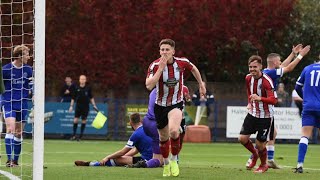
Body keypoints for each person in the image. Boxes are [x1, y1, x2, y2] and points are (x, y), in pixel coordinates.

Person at [145, 38, 206, 177]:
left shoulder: (181, 63)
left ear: (173, 51)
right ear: (159, 51)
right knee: (163, 137)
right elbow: (149, 85)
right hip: (160, 105)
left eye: (167, 50)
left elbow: (194, 68)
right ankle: (166, 164)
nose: (165, 52)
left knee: (174, 131)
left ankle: (173, 160)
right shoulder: (154, 65)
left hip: (176, 103)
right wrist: (160, 69)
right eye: (162, 50)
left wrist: (201, 84)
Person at [246, 44, 310, 169]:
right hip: (264, 108)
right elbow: (289, 68)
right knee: (263, 137)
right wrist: (300, 55)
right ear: (275, 62)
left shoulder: (267, 71)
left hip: (263, 107)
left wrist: (292, 54)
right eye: (279, 61)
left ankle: (269, 159)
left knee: (272, 134)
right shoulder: (270, 72)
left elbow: (283, 66)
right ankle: (253, 158)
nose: (281, 63)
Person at [127, 85, 190, 168]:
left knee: (158, 154)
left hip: (147, 122)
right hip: (157, 123)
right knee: (172, 139)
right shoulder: (174, 90)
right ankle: (149, 163)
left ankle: (150, 161)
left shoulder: (154, 90)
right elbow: (183, 102)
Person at [239, 55, 277, 173]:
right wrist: (249, 102)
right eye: (250, 67)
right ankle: (254, 155)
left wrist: (260, 98)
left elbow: (274, 100)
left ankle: (264, 165)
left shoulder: (266, 81)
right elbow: (249, 91)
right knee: (242, 138)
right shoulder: (248, 78)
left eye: (255, 67)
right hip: (253, 113)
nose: (252, 69)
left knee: (260, 145)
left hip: (265, 117)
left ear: (260, 66)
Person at [74, 113, 153, 167]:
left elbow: (122, 152)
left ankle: (91, 164)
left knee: (116, 159)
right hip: (156, 159)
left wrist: (107, 157)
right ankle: (93, 163)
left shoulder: (136, 134)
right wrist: (124, 157)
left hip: (146, 161)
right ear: (141, 121)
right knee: (121, 159)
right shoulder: (147, 129)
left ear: (130, 123)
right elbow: (135, 150)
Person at [2, 45, 33, 167]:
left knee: (19, 133)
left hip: (22, 102)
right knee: (10, 129)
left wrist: (34, 94)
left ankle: (15, 160)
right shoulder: (5, 70)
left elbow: (32, 84)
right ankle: (9, 160)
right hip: (8, 102)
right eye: (26, 54)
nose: (29, 57)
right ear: (19, 56)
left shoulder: (28, 69)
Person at [293, 55, 320, 173]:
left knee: (305, 136)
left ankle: (299, 165)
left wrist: (306, 98)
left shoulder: (307, 68)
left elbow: (297, 87)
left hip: (308, 106)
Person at [69, 75, 97, 141]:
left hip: (86, 106)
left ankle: (80, 136)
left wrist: (94, 105)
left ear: (85, 80)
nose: (82, 80)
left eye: (83, 79)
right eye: (81, 79)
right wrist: (71, 106)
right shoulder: (76, 88)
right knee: (75, 120)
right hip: (78, 106)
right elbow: (73, 98)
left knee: (84, 120)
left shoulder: (88, 88)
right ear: (79, 80)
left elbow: (91, 97)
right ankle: (74, 135)